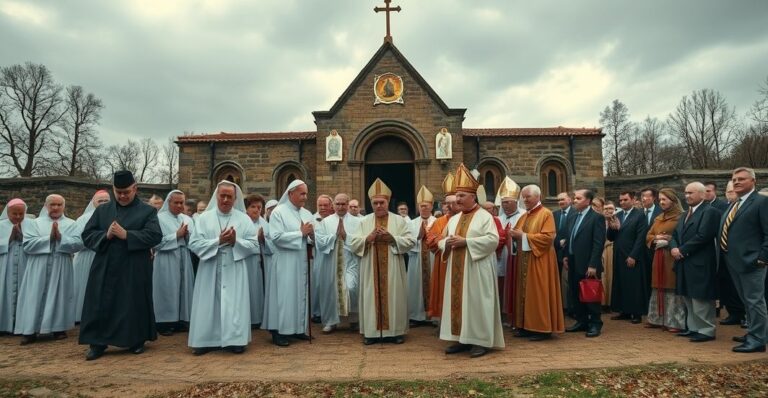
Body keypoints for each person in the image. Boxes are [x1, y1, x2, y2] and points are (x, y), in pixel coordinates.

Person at [79, 171, 162, 360]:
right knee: (101, 301)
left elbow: (155, 235)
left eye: (126, 192)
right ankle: (97, 343)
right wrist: (105, 235)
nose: (123, 196)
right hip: (105, 263)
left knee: (133, 302)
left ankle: (136, 340)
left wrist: (127, 235)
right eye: (119, 192)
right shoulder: (102, 211)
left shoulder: (147, 211)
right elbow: (87, 235)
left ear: (135, 188)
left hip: (134, 265)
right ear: (113, 190)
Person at [439, 164, 503, 357]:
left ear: (473, 197)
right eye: (457, 196)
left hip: (477, 268)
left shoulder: (485, 217)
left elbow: (493, 240)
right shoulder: (454, 219)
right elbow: (442, 240)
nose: (457, 199)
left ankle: (480, 341)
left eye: (461, 196)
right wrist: (447, 244)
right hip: (457, 268)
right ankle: (461, 339)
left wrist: (466, 242)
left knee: (476, 302)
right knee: (460, 302)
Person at [187, 181, 256, 355]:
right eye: (222, 195)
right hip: (210, 268)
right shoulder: (204, 218)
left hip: (235, 268)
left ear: (235, 198)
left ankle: (235, 340)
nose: (225, 199)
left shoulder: (244, 219)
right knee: (208, 304)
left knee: (234, 305)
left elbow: (255, 245)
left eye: (229, 197)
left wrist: (235, 242)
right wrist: (217, 241)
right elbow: (194, 244)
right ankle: (205, 340)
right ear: (216, 196)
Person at [349, 178, 415, 345]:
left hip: (393, 266)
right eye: (375, 203)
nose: (379, 206)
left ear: (388, 202)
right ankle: (371, 333)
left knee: (394, 296)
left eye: (382, 202)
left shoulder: (399, 221)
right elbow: (353, 243)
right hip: (370, 267)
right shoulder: (363, 222)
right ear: (371, 203)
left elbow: (410, 241)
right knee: (371, 296)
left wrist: (392, 238)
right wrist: (368, 238)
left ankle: (396, 332)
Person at [15, 195, 83, 345]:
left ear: (63, 207)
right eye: (52, 204)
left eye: (59, 205)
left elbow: (79, 244)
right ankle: (29, 331)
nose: (56, 208)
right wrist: (49, 238)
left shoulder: (72, 224)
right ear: (46, 206)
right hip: (38, 265)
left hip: (61, 264)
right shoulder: (34, 223)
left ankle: (58, 328)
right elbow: (27, 245)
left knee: (59, 295)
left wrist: (61, 238)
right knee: (33, 295)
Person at [719, 167, 768, 353]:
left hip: (752, 262)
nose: (737, 182)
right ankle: (754, 332)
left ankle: (758, 340)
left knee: (755, 301)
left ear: (753, 181)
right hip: (733, 261)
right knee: (747, 301)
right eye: (734, 179)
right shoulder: (735, 203)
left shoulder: (761, 202)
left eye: (741, 179)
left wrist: (763, 258)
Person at [263, 180, 315, 347]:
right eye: (302, 193)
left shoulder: (307, 213)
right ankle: (278, 331)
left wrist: (313, 236)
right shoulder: (279, 212)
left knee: (300, 295)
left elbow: (315, 238)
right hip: (284, 262)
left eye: (306, 194)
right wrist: (300, 233)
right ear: (291, 193)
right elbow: (276, 237)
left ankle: (298, 329)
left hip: (301, 262)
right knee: (284, 296)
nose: (305, 197)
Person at [510, 184, 564, 340]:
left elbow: (548, 238)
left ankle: (542, 328)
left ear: (538, 197)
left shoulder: (546, 214)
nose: (525, 199)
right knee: (525, 293)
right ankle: (526, 326)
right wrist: (514, 235)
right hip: (524, 260)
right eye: (523, 197)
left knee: (539, 292)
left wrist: (523, 236)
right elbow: (518, 235)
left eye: (528, 196)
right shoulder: (524, 216)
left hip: (540, 260)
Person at [671, 182, 720, 343]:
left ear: (702, 194)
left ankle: (706, 330)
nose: (687, 196)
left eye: (691, 193)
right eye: (685, 193)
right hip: (683, 262)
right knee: (687, 296)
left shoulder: (710, 212)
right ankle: (693, 328)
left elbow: (704, 235)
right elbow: (675, 234)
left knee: (700, 298)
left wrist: (682, 250)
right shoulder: (685, 214)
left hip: (700, 261)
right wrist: (673, 248)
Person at [314, 193, 361, 333]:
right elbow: (320, 241)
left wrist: (347, 237)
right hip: (331, 261)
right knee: (330, 291)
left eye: (343, 204)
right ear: (333, 205)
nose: (340, 207)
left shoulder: (357, 222)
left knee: (352, 287)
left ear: (348, 205)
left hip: (350, 261)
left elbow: (360, 241)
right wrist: (333, 237)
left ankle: (354, 319)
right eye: (338, 204)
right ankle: (330, 321)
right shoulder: (325, 222)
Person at [563, 189, 606, 338]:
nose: (574, 200)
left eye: (578, 198)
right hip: (574, 261)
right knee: (576, 292)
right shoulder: (573, 216)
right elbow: (571, 237)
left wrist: (593, 264)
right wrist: (566, 256)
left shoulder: (597, 218)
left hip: (588, 263)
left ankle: (595, 323)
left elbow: (598, 243)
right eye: (574, 198)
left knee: (590, 293)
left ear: (587, 201)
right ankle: (581, 321)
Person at [153, 190, 195, 336]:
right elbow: (155, 243)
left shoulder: (188, 219)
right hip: (166, 257)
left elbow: (195, 243)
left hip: (184, 255)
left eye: (181, 202)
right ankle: (164, 322)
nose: (179, 205)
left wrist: (188, 236)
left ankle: (181, 319)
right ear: (168, 202)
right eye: (176, 202)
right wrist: (176, 235)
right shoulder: (159, 218)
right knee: (167, 289)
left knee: (184, 288)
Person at [644, 188, 685, 332]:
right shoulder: (658, 218)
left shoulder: (681, 217)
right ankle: (656, 318)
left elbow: (682, 236)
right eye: (660, 199)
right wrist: (656, 238)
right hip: (658, 255)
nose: (661, 202)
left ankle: (674, 321)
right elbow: (648, 235)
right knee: (657, 285)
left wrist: (668, 240)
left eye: (664, 199)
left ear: (673, 201)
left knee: (671, 286)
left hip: (672, 256)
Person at [609, 191, 651, 324]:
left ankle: (636, 312)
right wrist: (613, 228)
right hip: (619, 255)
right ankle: (624, 310)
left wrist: (633, 255)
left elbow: (641, 238)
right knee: (621, 283)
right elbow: (610, 237)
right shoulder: (618, 215)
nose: (622, 203)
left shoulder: (640, 216)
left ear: (633, 200)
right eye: (620, 200)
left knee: (634, 284)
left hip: (632, 255)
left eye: (625, 200)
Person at [72, 191, 110, 323]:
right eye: (100, 201)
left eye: (106, 201)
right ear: (93, 202)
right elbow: (77, 240)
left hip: (106, 256)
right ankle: (82, 315)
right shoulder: (83, 219)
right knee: (84, 285)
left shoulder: (114, 216)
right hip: (86, 257)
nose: (103, 203)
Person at [425, 173, 456, 320]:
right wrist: (444, 241)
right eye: (446, 203)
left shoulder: (467, 218)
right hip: (443, 264)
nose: (449, 206)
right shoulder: (439, 221)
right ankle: (444, 321)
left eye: (453, 202)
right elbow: (430, 239)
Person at [0, 199, 31, 334]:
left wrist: (23, 237)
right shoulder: (1, 225)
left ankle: (22, 324)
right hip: (4, 264)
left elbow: (35, 243)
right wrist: (10, 238)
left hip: (25, 263)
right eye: (14, 214)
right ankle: (4, 325)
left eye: (21, 214)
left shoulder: (31, 225)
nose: (18, 217)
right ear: (8, 213)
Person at [497, 177, 524, 326]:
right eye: (503, 203)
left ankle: (515, 316)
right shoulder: (498, 219)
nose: (505, 205)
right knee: (500, 285)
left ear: (516, 202)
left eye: (508, 202)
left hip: (516, 257)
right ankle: (501, 314)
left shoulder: (524, 216)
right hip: (499, 258)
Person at [406, 186, 436, 324]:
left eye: (426, 206)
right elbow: (406, 242)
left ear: (431, 206)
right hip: (416, 260)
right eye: (421, 206)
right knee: (415, 286)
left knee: (435, 284)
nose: (424, 208)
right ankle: (416, 316)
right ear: (418, 207)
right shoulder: (411, 223)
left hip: (433, 259)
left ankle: (434, 316)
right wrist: (418, 237)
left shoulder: (438, 222)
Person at [718, 179, 745, 326]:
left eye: (733, 191)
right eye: (728, 191)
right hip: (725, 255)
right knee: (729, 286)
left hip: (743, 257)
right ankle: (734, 312)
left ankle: (745, 316)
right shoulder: (726, 208)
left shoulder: (746, 207)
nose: (731, 194)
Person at [245, 193, 268, 329]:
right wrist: (256, 238)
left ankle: (256, 318)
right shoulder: (242, 221)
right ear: (246, 208)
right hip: (244, 259)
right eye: (253, 206)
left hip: (258, 261)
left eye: (259, 207)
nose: (256, 210)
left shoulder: (264, 223)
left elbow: (271, 241)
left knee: (257, 289)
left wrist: (264, 240)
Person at [552, 192, 572, 316]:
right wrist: (557, 243)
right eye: (559, 200)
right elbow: (550, 232)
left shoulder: (575, 214)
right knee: (557, 282)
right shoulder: (554, 214)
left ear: (569, 200)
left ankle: (572, 308)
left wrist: (566, 241)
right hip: (555, 251)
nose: (560, 202)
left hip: (569, 253)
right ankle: (560, 308)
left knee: (570, 283)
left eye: (563, 199)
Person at [601, 201, 618, 308]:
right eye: (606, 208)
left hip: (613, 249)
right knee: (603, 276)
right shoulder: (599, 222)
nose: (608, 211)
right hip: (602, 250)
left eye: (610, 208)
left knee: (612, 275)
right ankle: (603, 302)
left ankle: (612, 302)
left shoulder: (618, 221)